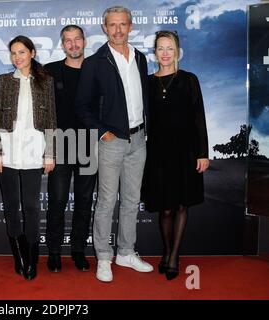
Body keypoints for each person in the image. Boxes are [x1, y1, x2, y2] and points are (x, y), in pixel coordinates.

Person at [75, 6, 153, 283]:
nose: (118, 30)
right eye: (112, 25)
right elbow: (82, 105)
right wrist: (102, 132)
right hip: (112, 140)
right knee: (107, 201)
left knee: (132, 200)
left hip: (139, 139)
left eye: (123, 24)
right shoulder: (95, 62)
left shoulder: (141, 58)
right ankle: (104, 257)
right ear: (104, 28)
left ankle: (126, 252)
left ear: (130, 26)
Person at [142, 30, 209, 280]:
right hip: (158, 152)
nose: (165, 53)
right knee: (166, 208)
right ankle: (167, 250)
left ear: (177, 51)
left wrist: (203, 152)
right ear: (155, 52)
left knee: (182, 204)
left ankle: (173, 257)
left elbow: (198, 118)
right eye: (161, 48)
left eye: (170, 48)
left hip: (186, 151)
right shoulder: (147, 83)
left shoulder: (189, 79)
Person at [0, 35, 57, 280]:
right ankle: (18, 256)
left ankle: (32, 260)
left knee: (30, 207)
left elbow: (51, 120)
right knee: (11, 207)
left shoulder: (46, 82)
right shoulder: (3, 81)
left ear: (32, 53)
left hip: (33, 150)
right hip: (7, 150)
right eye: (13, 53)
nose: (17, 57)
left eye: (21, 52)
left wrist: (50, 153)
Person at [44, 25, 97, 273]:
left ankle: (78, 251)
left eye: (77, 39)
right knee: (57, 200)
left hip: (90, 145)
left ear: (84, 42)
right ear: (62, 44)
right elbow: (41, 111)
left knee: (85, 201)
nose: (73, 44)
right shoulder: (50, 72)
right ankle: (54, 252)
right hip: (61, 144)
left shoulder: (97, 69)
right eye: (68, 40)